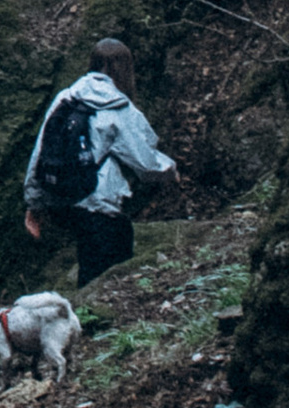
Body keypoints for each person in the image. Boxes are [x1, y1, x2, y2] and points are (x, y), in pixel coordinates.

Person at [22, 32, 178, 286]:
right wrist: (171, 170)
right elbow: (146, 162)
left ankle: (89, 318)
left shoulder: (65, 98)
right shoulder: (120, 107)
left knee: (89, 265)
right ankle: (100, 321)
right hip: (101, 201)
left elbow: (40, 153)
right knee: (112, 271)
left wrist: (35, 204)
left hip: (67, 198)